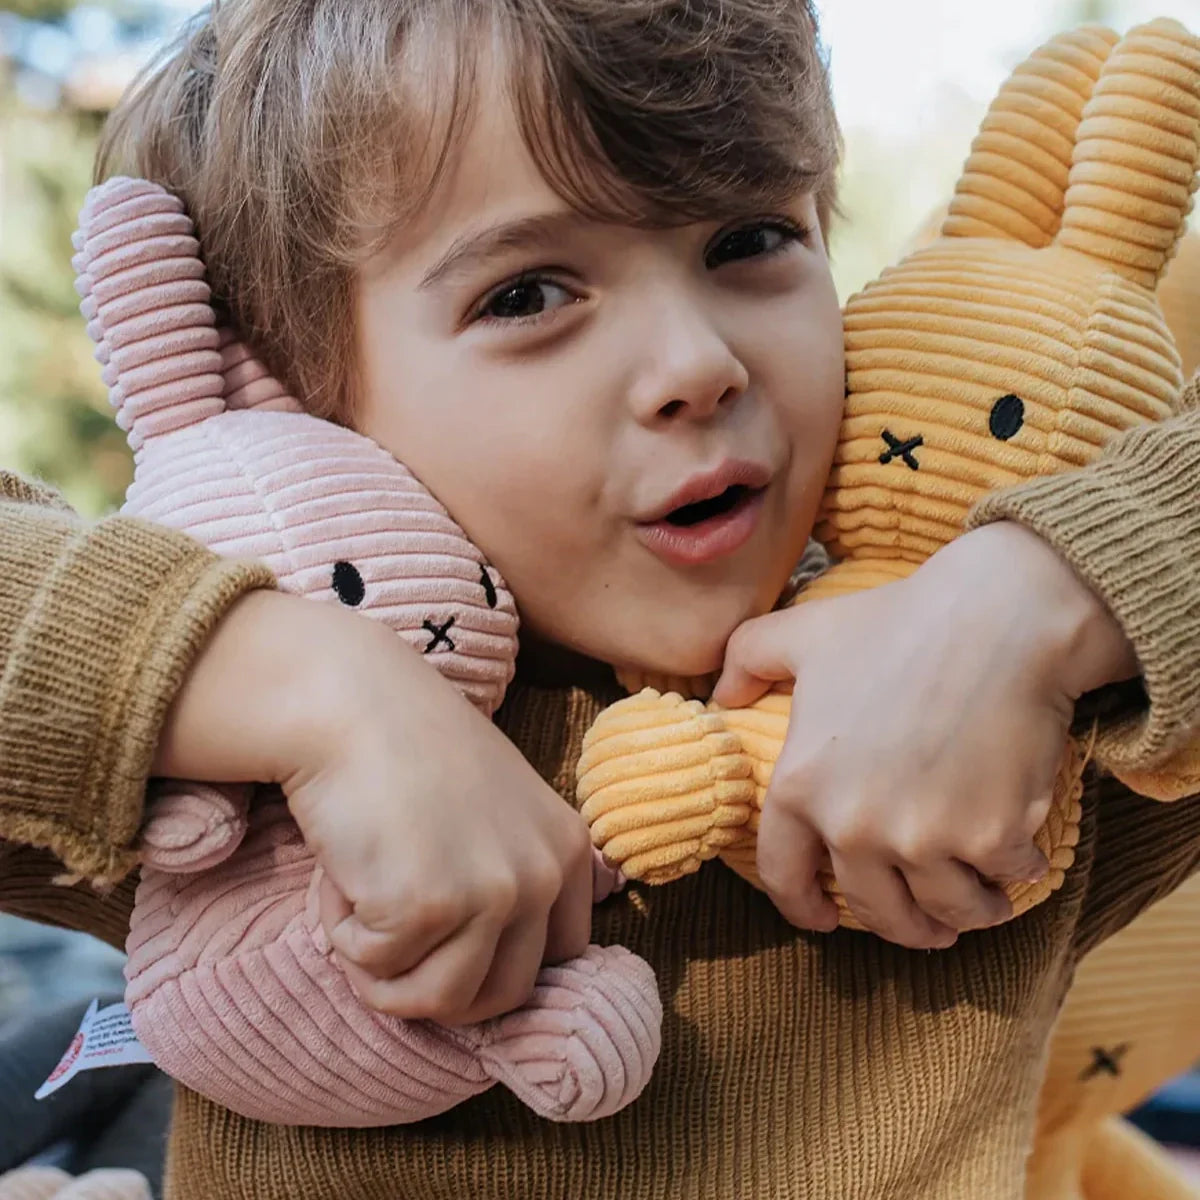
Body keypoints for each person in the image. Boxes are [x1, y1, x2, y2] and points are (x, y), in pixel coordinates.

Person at [1, 2, 1198, 1196]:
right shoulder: (232, 788)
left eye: (749, 239)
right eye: (526, 296)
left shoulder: (997, 731)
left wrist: (1041, 599)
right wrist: (308, 691)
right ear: (296, 405)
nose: (696, 364)